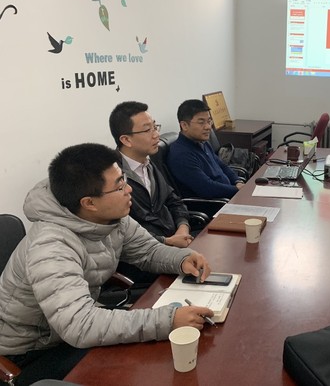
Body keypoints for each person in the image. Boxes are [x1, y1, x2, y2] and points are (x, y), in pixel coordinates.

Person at [0, 143, 213, 384]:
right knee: (142, 365)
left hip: (70, 327)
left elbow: (148, 251)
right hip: (32, 352)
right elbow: (80, 325)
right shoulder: (51, 246)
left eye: (124, 180)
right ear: (89, 203)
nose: (129, 189)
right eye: (120, 186)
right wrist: (168, 321)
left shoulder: (110, 217)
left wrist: (182, 258)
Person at [109, 101, 193, 247]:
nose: (156, 135)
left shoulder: (149, 163)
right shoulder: (113, 177)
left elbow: (174, 201)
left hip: (175, 240)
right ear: (126, 140)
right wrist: (166, 241)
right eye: (148, 130)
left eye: (155, 127)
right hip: (147, 252)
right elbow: (121, 231)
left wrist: (183, 228)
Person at [167, 99, 244, 199]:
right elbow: (207, 188)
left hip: (229, 195)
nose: (208, 127)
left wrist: (237, 181)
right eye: (201, 122)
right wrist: (237, 190)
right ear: (184, 125)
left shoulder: (202, 142)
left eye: (209, 121)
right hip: (216, 203)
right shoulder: (181, 155)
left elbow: (222, 165)